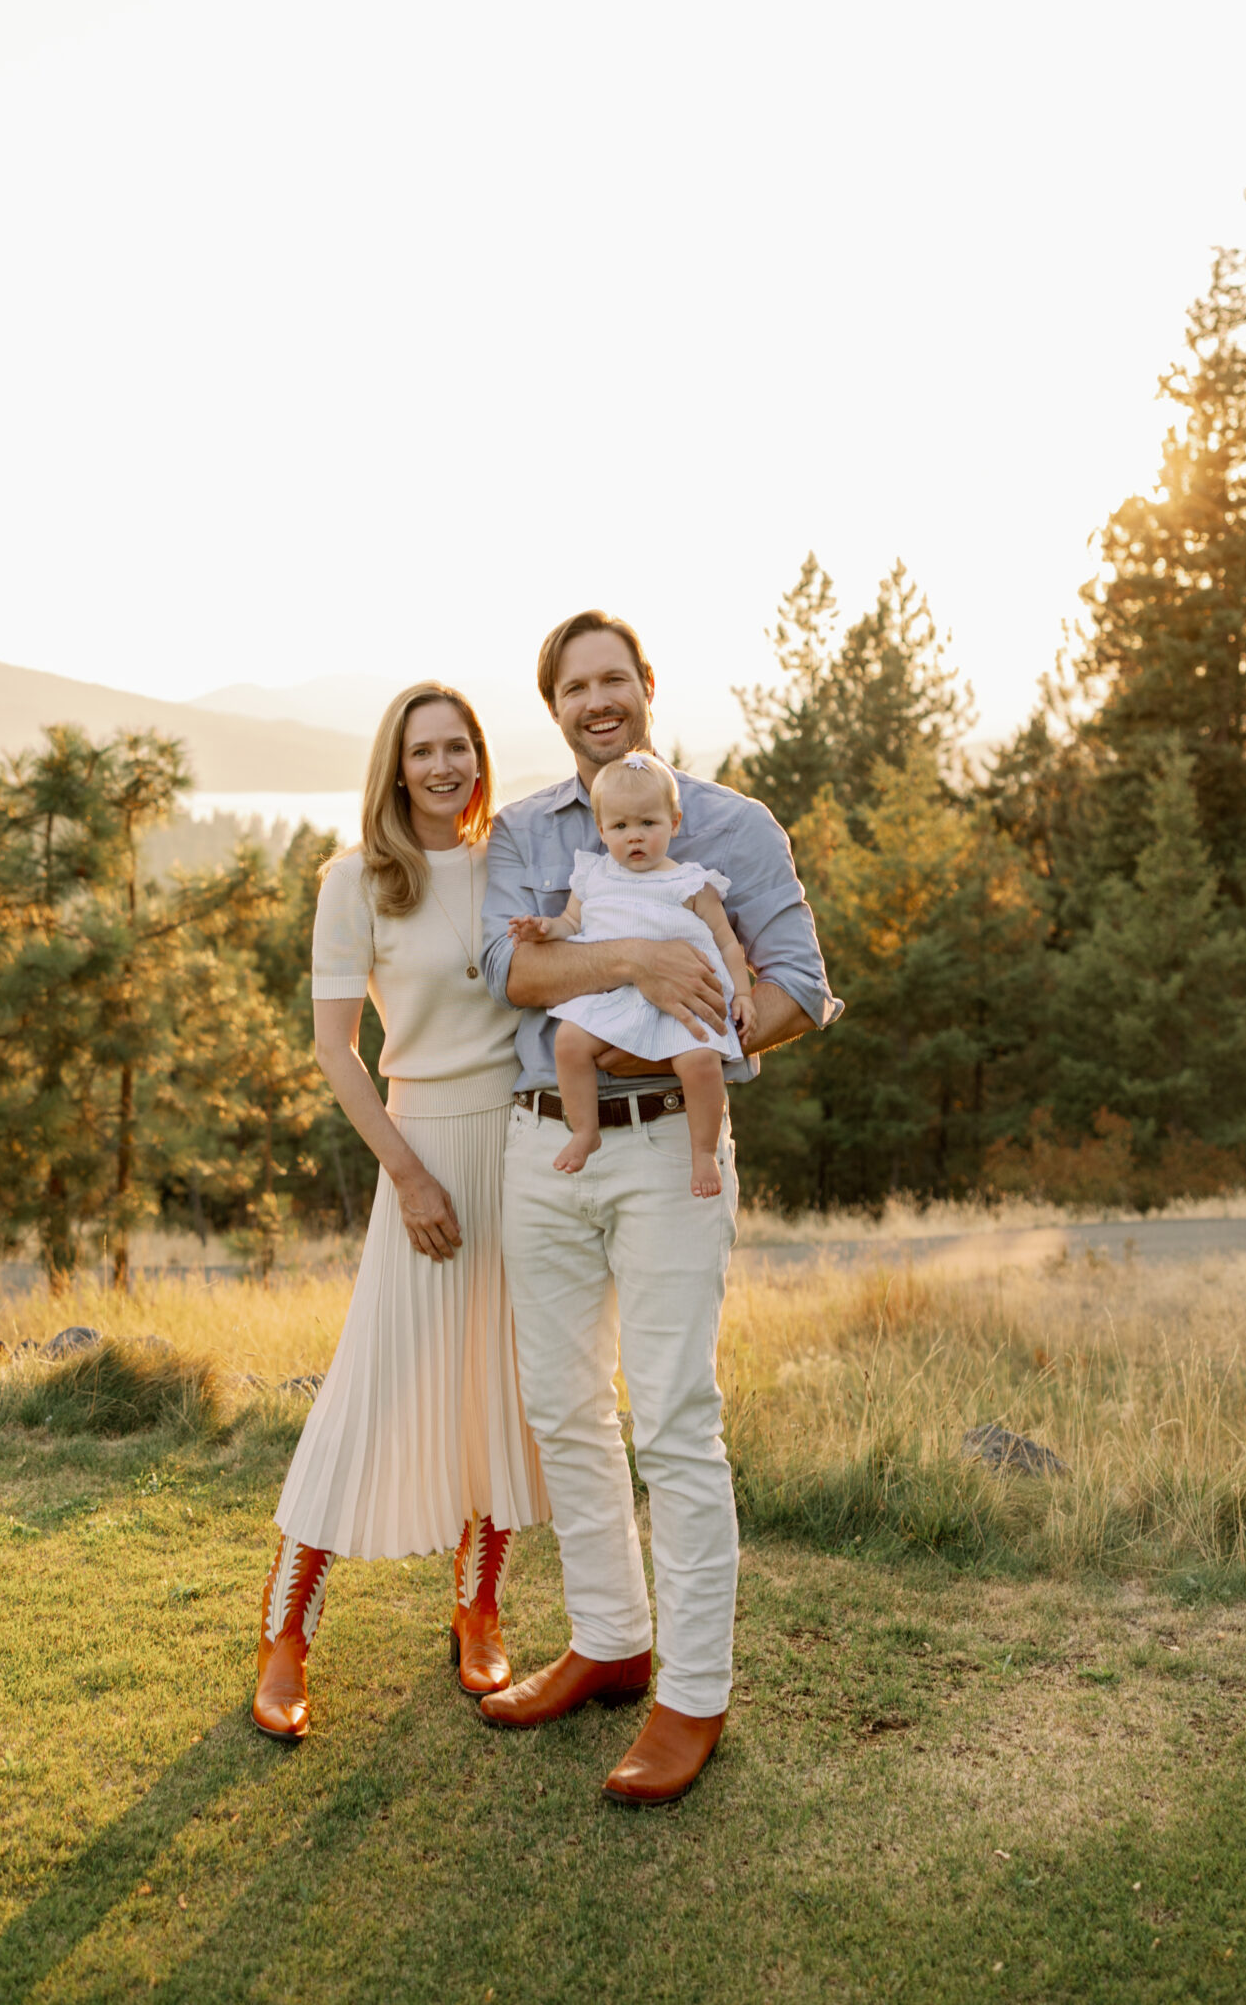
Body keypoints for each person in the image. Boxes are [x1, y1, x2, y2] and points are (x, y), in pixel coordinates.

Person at [478, 611, 842, 1804]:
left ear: (647, 685)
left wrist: (704, 1030)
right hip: (547, 1145)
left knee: (676, 1414)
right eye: (574, 686)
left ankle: (692, 1694)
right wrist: (635, 968)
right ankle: (607, 1638)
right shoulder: (530, 830)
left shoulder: (732, 828)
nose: (598, 700)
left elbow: (799, 987)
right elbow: (512, 970)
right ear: (555, 705)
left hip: (673, 1151)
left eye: (615, 679)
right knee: (564, 1405)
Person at [253, 682, 550, 1742]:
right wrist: (408, 1175)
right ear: (396, 764)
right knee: (372, 1384)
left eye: (459, 746)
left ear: (480, 757)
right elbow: (337, 1049)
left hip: (519, 1140)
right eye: (424, 750)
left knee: (504, 1381)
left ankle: (477, 1606)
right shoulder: (356, 882)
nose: (444, 766)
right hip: (420, 1145)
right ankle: (286, 1631)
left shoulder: (512, 861)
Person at [509, 750, 754, 1198]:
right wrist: (542, 930)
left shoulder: (690, 883)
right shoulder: (594, 877)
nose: (634, 837)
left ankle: (702, 1151)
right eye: (620, 827)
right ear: (602, 830)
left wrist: (742, 994)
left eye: (648, 824)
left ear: (674, 822)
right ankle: (584, 1129)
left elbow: (726, 943)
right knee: (569, 1042)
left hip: (682, 1001)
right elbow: (570, 925)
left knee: (700, 1062)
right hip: (615, 996)